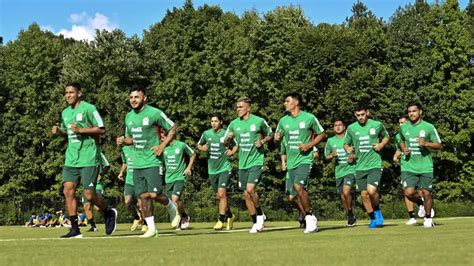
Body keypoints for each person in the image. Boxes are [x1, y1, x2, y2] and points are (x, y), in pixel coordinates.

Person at [51, 82, 117, 238]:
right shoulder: (65, 113)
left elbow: (102, 129)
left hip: (89, 158)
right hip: (71, 158)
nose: (68, 95)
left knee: (89, 195)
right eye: (66, 93)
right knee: (68, 191)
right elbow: (68, 135)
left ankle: (109, 212)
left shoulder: (89, 108)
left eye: (71, 92)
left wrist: (81, 129)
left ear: (79, 93)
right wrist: (59, 132)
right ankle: (75, 229)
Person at [116, 85, 178, 238]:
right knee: (143, 196)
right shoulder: (128, 116)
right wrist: (123, 141)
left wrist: (162, 145)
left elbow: (173, 127)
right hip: (137, 163)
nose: (133, 100)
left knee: (154, 194)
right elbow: (131, 139)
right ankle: (151, 228)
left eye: (137, 97)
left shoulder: (154, 113)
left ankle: (171, 206)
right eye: (131, 97)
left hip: (153, 160)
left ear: (145, 98)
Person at [274, 92, 325, 233]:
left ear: (296, 102)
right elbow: (278, 143)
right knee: (294, 194)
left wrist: (309, 146)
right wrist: (276, 139)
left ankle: (308, 216)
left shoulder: (309, 118)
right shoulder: (283, 121)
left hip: (305, 159)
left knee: (298, 186)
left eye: (287, 100)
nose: (285, 103)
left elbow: (322, 134)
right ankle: (310, 216)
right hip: (291, 161)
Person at [224, 97, 273, 233]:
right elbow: (226, 143)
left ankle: (259, 215)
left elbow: (270, 134)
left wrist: (262, 141)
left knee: (251, 190)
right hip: (242, 163)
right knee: (246, 194)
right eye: (237, 107)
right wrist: (228, 139)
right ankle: (256, 221)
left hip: (256, 160)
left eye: (241, 107)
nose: (238, 109)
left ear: (248, 108)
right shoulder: (234, 124)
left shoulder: (258, 121)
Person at [344, 102, 390, 229]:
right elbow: (346, 144)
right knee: (364, 195)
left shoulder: (377, 125)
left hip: (374, 164)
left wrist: (381, 145)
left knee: (371, 191)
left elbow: (386, 137)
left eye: (363, 114)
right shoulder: (351, 128)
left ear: (367, 113)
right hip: (359, 166)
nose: (361, 117)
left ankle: (377, 210)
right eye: (358, 115)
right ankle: (373, 219)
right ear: (355, 115)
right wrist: (348, 149)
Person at [399, 102, 441, 228]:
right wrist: (404, 148)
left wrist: (426, 144)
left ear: (420, 112)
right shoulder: (403, 127)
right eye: (409, 112)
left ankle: (428, 219)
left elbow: (439, 145)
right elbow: (400, 140)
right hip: (409, 166)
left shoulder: (428, 127)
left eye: (414, 111)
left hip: (425, 166)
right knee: (408, 192)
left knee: (426, 193)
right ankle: (421, 203)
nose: (411, 114)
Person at [197, 114, 237, 230]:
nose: (213, 123)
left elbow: (236, 145)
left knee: (222, 193)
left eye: (216, 121)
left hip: (224, 168)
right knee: (219, 196)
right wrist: (202, 148)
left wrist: (232, 152)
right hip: (212, 170)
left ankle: (221, 220)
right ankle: (230, 215)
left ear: (221, 122)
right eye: (212, 121)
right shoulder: (206, 134)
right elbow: (198, 145)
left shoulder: (226, 133)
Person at [324, 119, 357, 227]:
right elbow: (326, 156)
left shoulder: (350, 138)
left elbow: (358, 153)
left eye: (340, 125)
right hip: (339, 172)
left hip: (350, 170)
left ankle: (351, 214)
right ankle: (350, 213)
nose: (337, 127)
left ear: (344, 127)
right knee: (343, 196)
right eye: (335, 125)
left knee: (346, 192)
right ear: (333, 128)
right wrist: (332, 155)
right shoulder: (330, 141)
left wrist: (353, 157)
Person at [161, 131, 197, 230]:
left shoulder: (181, 145)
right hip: (168, 178)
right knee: (171, 202)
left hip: (179, 177)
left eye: (163, 137)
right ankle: (184, 215)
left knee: (175, 198)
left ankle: (180, 218)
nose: (161, 139)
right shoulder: (162, 147)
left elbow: (193, 154)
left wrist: (188, 167)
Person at [393, 115, 423, 225]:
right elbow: (398, 150)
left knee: (418, 190)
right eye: (399, 123)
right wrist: (395, 157)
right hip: (406, 167)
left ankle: (423, 207)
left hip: (419, 165)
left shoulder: (416, 132)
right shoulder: (397, 136)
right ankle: (412, 216)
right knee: (406, 191)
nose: (401, 125)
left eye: (403, 123)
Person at [118, 145, 145, 231]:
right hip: (129, 180)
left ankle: (145, 223)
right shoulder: (124, 149)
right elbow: (125, 162)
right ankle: (136, 217)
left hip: (140, 180)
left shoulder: (140, 147)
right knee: (127, 202)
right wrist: (121, 172)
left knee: (142, 203)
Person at [83, 152, 110, 232]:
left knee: (97, 208)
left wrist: (101, 174)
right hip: (87, 185)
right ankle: (93, 227)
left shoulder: (99, 154)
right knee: (86, 206)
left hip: (97, 185)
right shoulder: (82, 155)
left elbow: (107, 165)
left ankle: (109, 216)